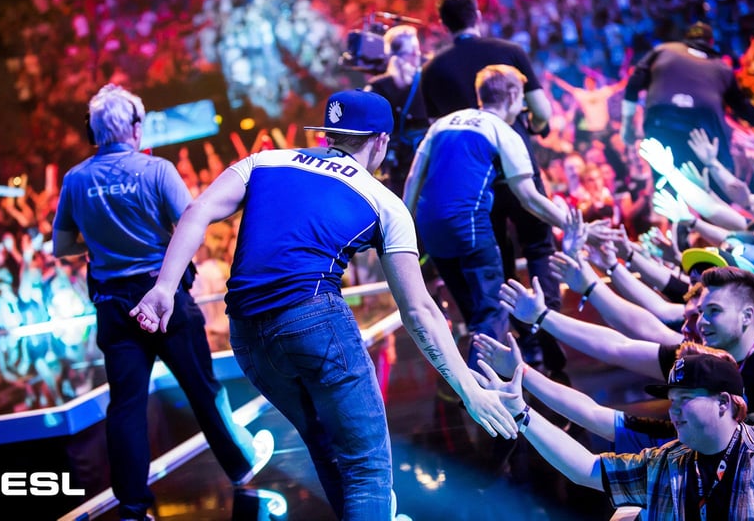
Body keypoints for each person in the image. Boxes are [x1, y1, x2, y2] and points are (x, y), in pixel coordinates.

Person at [130, 89, 517, 520]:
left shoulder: (264, 161)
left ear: (329, 134)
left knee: (325, 442)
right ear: (380, 142)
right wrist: (468, 388)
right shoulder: (383, 200)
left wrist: (164, 288)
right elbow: (419, 311)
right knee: (367, 468)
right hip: (314, 321)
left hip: (247, 332)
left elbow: (196, 211)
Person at [52, 84, 272, 521]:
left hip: (113, 305)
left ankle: (132, 506)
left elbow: (62, 246)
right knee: (203, 390)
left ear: (96, 131)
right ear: (134, 127)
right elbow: (192, 224)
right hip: (165, 297)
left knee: (126, 405)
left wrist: (99, 241)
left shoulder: (76, 179)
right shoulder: (157, 170)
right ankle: (240, 467)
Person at [506, 263, 754, 493]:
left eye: (713, 312)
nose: (700, 322)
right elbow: (618, 346)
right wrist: (541, 318)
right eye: (700, 311)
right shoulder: (693, 364)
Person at [475, 349, 754, 519]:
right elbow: (586, 470)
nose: (673, 409)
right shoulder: (667, 462)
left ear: (725, 403)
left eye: (686, 399)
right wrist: (523, 415)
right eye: (671, 399)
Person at [420, 0, 565, 374]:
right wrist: (537, 125)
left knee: (495, 262)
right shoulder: (508, 52)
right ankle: (548, 334)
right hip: (517, 169)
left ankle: (517, 348)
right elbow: (542, 111)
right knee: (538, 248)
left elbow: (439, 131)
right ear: (477, 14)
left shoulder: (431, 69)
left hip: (472, 186)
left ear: (443, 23)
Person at [621, 21, 754, 171]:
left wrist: (627, 125)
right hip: (703, 124)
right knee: (714, 172)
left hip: (660, 119)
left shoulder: (662, 50)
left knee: (665, 176)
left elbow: (634, 82)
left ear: (685, 40)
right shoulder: (722, 67)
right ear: (711, 42)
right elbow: (740, 104)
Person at [364, 24, 429, 195]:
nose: (417, 56)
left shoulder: (426, 82)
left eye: (417, 50)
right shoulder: (379, 87)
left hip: (415, 163)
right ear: (396, 56)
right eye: (412, 52)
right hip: (404, 166)